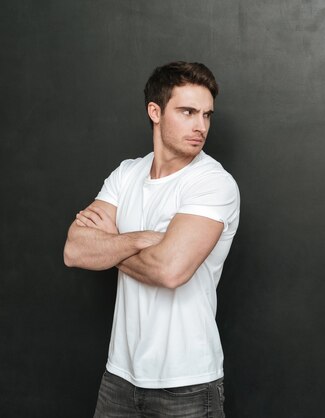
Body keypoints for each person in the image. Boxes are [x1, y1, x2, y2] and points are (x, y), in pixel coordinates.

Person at [63, 61, 239, 417]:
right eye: (187, 112)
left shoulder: (212, 182)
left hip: (186, 383)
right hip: (119, 378)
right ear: (154, 112)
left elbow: (169, 271)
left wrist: (111, 242)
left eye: (206, 115)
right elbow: (74, 249)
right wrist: (143, 238)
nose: (200, 126)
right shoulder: (126, 174)